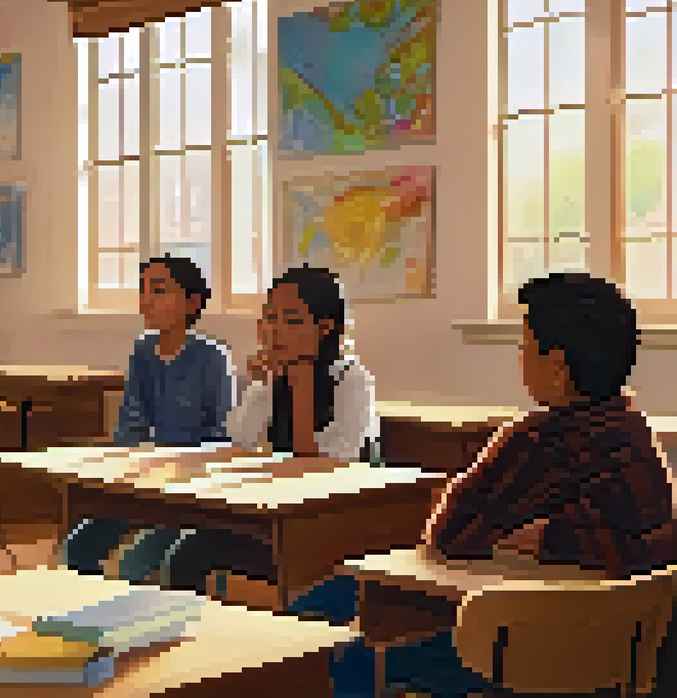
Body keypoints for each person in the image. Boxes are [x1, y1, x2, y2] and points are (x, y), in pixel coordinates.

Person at [290, 272, 677, 698]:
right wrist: (548, 537)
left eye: (525, 344)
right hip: (619, 660)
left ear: (556, 366)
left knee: (338, 637)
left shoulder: (535, 441)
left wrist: (528, 536)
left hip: (524, 660)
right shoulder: (636, 434)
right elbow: (626, 542)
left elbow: (448, 535)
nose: (520, 356)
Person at [161, 265, 377, 594]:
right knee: (186, 554)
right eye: (270, 319)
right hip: (281, 517)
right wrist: (261, 386)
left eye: (291, 321)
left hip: (336, 529)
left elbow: (328, 466)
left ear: (325, 327)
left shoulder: (351, 379)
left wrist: (301, 380)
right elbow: (240, 438)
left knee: (198, 553)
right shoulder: (275, 376)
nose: (274, 332)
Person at [62, 255, 236, 583]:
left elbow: (222, 436)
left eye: (159, 291)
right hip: (143, 483)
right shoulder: (142, 351)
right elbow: (130, 422)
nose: (146, 301)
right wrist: (137, 462)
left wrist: (174, 466)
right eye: (143, 290)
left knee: (132, 563)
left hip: (191, 491)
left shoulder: (213, 357)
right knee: (78, 547)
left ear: (191, 302)